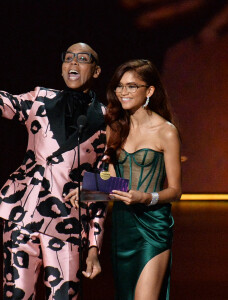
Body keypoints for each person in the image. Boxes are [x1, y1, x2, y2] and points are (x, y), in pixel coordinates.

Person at [0, 16, 107, 300]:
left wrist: (94, 247)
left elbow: (102, 185)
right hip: (22, 212)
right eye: (68, 59)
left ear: (96, 70)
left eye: (82, 59)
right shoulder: (39, 98)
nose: (73, 64)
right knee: (16, 295)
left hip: (67, 222)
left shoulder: (106, 119)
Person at [105, 59, 181, 300]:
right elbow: (110, 180)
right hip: (122, 224)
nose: (123, 92)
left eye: (131, 86)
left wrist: (147, 197)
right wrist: (87, 189)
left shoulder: (166, 131)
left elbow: (176, 190)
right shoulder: (114, 128)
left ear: (149, 91)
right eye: (120, 86)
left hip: (153, 225)